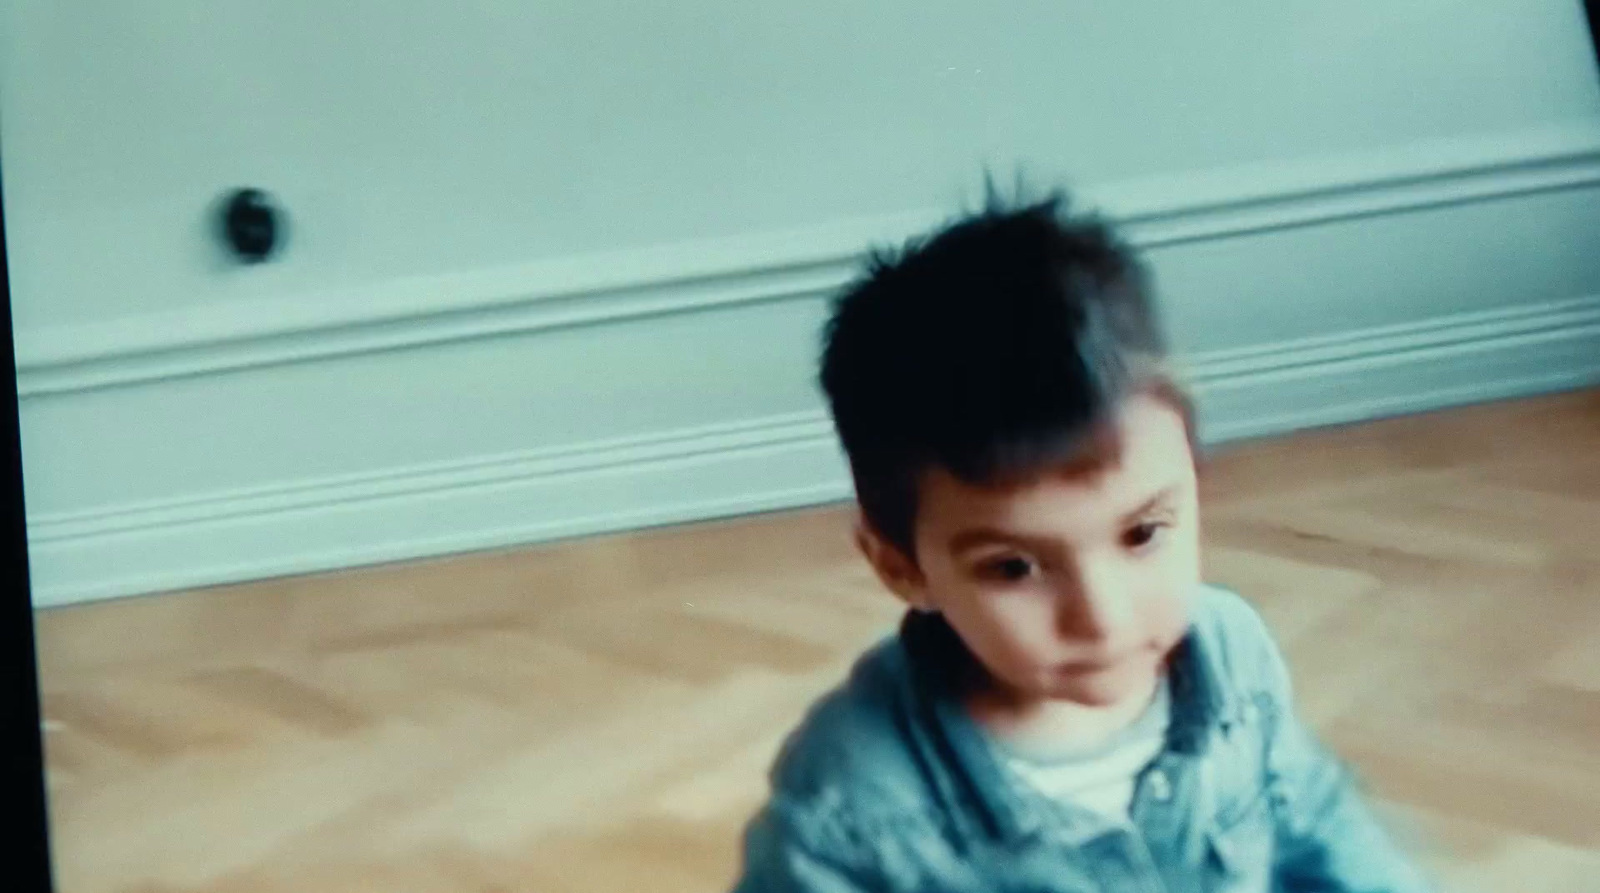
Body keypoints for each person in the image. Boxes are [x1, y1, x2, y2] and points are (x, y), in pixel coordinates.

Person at [729, 191, 1434, 892]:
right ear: (902, 565)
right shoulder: (851, 801)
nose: (1104, 617)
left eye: (1143, 533)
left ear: (1195, 480)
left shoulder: (1231, 655)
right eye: (1014, 567)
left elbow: (1314, 816)